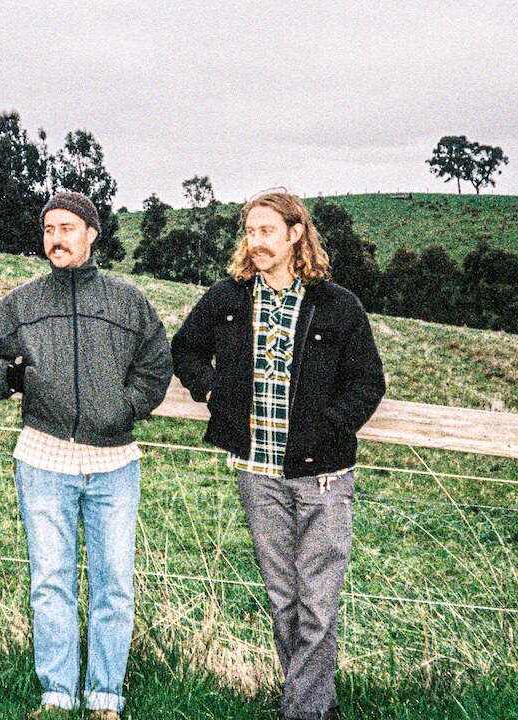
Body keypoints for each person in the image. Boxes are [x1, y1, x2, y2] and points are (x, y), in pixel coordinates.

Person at [171, 190, 385, 720]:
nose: (256, 242)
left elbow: (367, 383)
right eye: (250, 231)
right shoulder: (228, 297)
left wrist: (327, 430)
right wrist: (211, 389)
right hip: (256, 472)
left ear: (295, 234)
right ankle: (314, 707)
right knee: (283, 600)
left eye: (267, 231)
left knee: (317, 604)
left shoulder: (338, 305)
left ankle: (303, 712)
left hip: (324, 477)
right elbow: (185, 349)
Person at [0, 191, 173, 720]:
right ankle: (56, 695)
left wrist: (125, 407)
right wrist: (14, 379)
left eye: (67, 228)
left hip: (114, 465)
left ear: (92, 234)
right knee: (50, 584)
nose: (56, 239)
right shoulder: (23, 302)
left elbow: (156, 365)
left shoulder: (128, 301)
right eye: (49, 229)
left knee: (114, 587)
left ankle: (105, 698)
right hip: (43, 459)